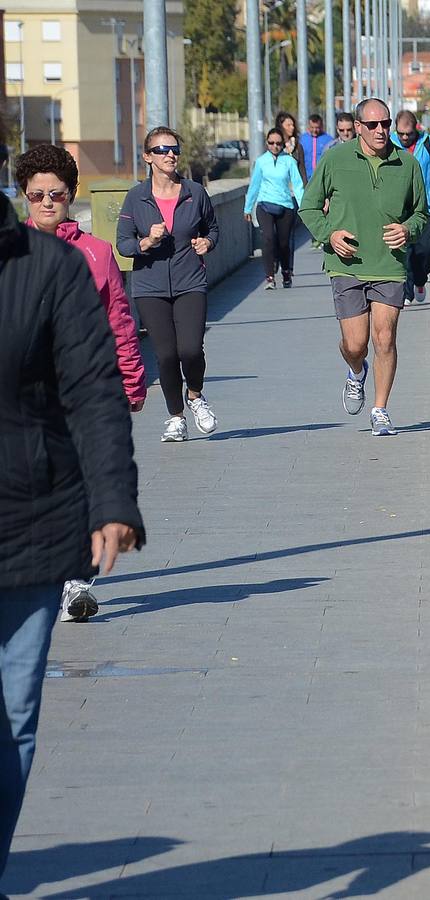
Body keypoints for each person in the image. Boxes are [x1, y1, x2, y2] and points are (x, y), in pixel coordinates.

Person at [0, 187, 144, 878]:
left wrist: (113, 501)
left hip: (27, 522)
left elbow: (92, 387)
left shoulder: (46, 267)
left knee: (12, 718)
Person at [16, 143, 146, 624]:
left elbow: (119, 322)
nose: (47, 203)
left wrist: (132, 382)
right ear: (24, 198)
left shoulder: (96, 253)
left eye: (56, 194)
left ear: (71, 195)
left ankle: (75, 585)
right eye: (36, 195)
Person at [299, 98, 429, 436]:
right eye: (372, 125)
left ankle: (380, 408)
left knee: (384, 337)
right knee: (355, 344)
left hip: (389, 264)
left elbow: (420, 214)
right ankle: (356, 372)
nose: (380, 130)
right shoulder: (335, 160)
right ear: (358, 127)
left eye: (385, 124)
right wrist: (330, 234)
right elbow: (309, 206)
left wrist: (408, 230)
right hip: (347, 264)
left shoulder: (407, 164)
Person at [117, 125, 221, 442]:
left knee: (190, 349)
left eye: (174, 149)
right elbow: (123, 244)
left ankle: (196, 395)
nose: (170, 155)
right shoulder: (136, 198)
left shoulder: (195, 193)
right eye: (162, 150)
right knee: (164, 355)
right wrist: (146, 241)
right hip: (150, 287)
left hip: (190, 282)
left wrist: (208, 243)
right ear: (148, 157)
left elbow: (213, 228)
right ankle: (176, 417)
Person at [393, 110, 430, 303]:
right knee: (406, 251)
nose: (404, 137)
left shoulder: (426, 143)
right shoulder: (389, 144)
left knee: (426, 250)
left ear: (415, 129)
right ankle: (407, 293)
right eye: (401, 133)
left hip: (426, 207)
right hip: (399, 209)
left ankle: (420, 279)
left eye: (408, 133)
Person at [245, 126, 305, 290]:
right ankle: (270, 276)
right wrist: (248, 207)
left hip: (285, 205)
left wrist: (304, 207)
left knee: (284, 243)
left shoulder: (289, 161)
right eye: (271, 143)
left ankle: (286, 272)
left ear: (283, 144)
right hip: (264, 205)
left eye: (278, 143)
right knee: (268, 239)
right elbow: (254, 186)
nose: (275, 146)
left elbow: (298, 185)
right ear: (266, 143)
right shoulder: (261, 162)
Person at [300, 113, 335, 180]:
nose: (314, 130)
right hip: (305, 176)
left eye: (317, 128)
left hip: (322, 176)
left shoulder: (329, 140)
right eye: (312, 127)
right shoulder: (302, 139)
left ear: (321, 126)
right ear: (308, 126)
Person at [275, 111, 308, 182]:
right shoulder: (275, 146)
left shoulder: (298, 147)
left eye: (293, 125)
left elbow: (302, 170)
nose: (292, 128)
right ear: (280, 126)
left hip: (295, 187)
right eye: (288, 125)